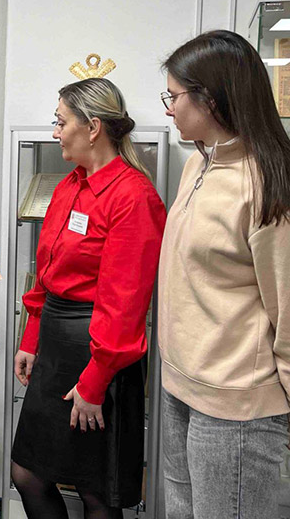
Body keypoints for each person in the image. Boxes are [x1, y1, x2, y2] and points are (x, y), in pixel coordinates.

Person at [11, 78, 166, 519]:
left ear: (93, 127)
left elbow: (126, 304)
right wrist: (31, 340)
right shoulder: (70, 186)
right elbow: (47, 276)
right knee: (28, 474)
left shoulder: (133, 196)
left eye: (61, 122)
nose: (55, 132)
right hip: (55, 348)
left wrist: (95, 382)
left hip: (100, 354)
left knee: (96, 489)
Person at [158, 30, 290, 519]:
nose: (168, 109)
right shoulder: (198, 163)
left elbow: (288, 309)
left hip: (235, 405)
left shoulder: (267, 183)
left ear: (210, 99)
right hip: (180, 384)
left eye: (174, 97)